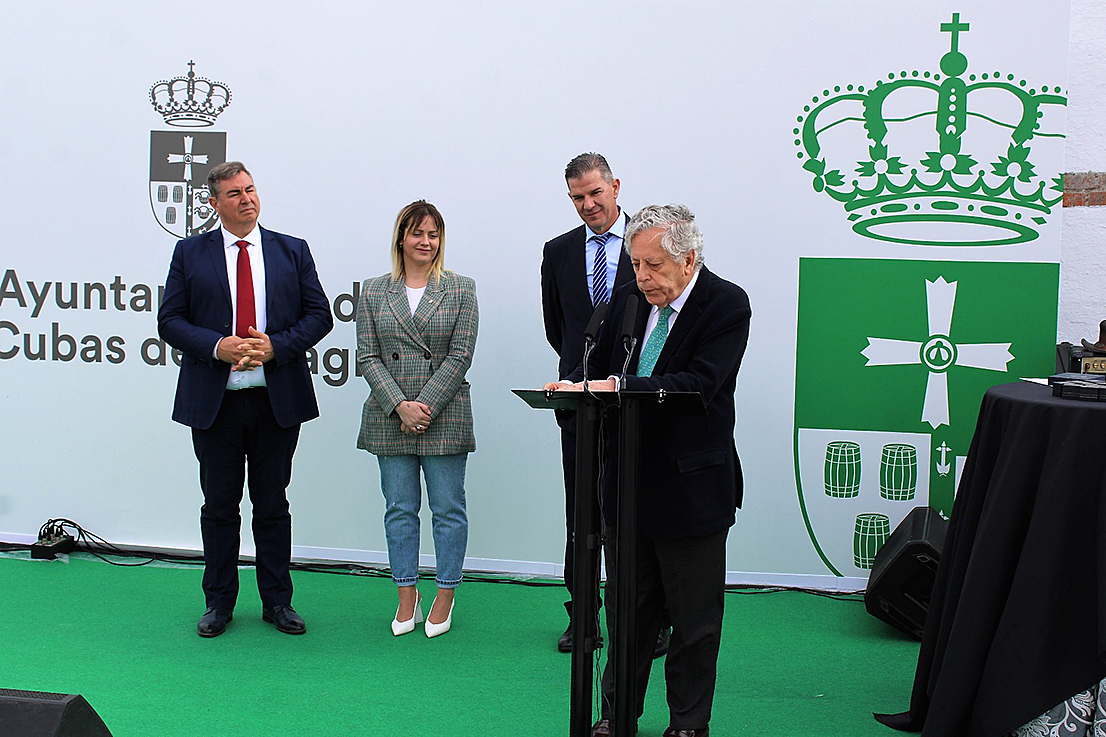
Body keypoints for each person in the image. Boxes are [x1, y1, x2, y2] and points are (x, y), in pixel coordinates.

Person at [546, 204, 751, 737]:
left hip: (691, 491)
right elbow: (598, 367)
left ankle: (687, 725)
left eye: (653, 266)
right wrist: (573, 385)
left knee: (693, 624)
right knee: (626, 616)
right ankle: (615, 718)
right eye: (635, 264)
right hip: (627, 487)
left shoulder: (725, 304)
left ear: (689, 260)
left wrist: (618, 387)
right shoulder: (630, 302)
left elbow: (699, 384)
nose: (641, 277)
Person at [157, 161, 333, 638]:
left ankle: (278, 602)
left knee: (272, 504)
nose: (246, 199)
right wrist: (219, 346)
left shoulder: (291, 251)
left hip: (276, 402)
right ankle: (218, 604)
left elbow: (320, 315)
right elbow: (169, 321)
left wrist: (276, 346)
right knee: (219, 506)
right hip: (216, 406)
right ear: (214, 204)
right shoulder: (189, 253)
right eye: (234, 194)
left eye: (251, 190)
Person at [356, 200, 478, 639]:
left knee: (447, 509)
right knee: (399, 510)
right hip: (391, 417)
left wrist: (423, 404)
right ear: (401, 238)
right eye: (418, 233)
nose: (426, 241)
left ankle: (445, 591)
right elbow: (367, 356)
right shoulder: (373, 290)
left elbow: (461, 355)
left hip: (442, 414)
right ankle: (407, 592)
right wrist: (399, 405)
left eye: (434, 234)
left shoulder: (461, 288)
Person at [540, 152, 636, 653]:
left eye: (595, 193)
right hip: (578, 406)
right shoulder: (557, 252)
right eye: (577, 197)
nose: (587, 205)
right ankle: (582, 620)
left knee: (634, 516)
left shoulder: (649, 243)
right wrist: (582, 378)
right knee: (581, 516)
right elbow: (560, 331)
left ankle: (644, 620)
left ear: (616, 186)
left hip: (637, 404)